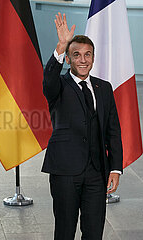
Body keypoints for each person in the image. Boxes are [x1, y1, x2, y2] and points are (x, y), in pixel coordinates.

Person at [42, 13, 123, 240]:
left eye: (88, 55)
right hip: (65, 173)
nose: (83, 60)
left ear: (94, 58)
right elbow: (48, 79)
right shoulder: (58, 86)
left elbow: (113, 130)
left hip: (97, 173)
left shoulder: (104, 88)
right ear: (68, 59)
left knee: (94, 232)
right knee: (65, 231)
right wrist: (61, 45)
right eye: (76, 55)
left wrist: (115, 168)